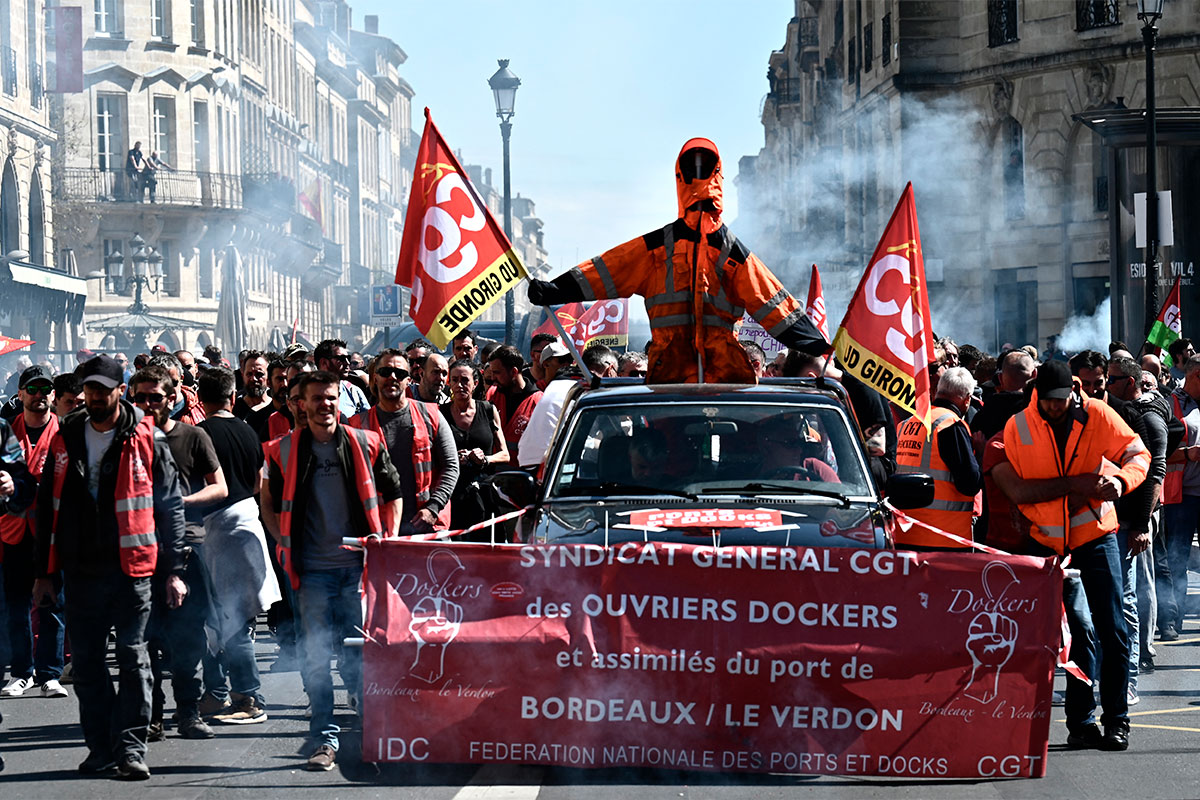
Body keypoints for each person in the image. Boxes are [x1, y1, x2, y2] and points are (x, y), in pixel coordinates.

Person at [527, 138, 828, 383]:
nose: (698, 174)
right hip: (689, 378)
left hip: (705, 376)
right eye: (694, 167)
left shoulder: (723, 251)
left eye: (703, 167)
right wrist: (556, 290)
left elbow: (773, 301)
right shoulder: (667, 248)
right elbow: (606, 270)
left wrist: (816, 343)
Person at [33, 354, 187, 779]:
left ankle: (132, 749)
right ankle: (100, 747)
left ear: (121, 390)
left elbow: (170, 506)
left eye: (104, 388)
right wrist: (44, 573)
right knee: (87, 663)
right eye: (90, 389)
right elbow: (47, 504)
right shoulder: (66, 434)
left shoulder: (147, 436)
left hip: (131, 569)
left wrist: (174, 569)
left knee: (133, 657)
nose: (96, 396)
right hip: (81, 571)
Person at [994, 359, 1149, 752]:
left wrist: (1120, 480)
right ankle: (1079, 724)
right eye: (1047, 401)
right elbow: (1011, 476)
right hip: (1044, 542)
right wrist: (1047, 493)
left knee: (1112, 628)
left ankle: (1116, 721)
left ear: (1074, 391)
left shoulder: (1098, 414)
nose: (1055, 407)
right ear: (1036, 395)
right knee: (1057, 636)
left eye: (1061, 400)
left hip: (1094, 536)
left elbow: (1139, 454)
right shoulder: (1018, 425)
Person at [260, 371, 403, 771]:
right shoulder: (281, 450)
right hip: (313, 573)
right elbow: (266, 501)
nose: (325, 404)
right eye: (317, 398)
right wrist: (281, 539)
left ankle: (370, 731)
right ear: (300, 404)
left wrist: (387, 539)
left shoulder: (366, 443)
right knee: (316, 655)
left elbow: (393, 493)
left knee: (360, 655)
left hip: (358, 570)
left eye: (331, 397)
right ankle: (325, 738)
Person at [130, 366, 227, 742]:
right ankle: (151, 716)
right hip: (141, 553)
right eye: (140, 397)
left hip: (188, 549)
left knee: (188, 639)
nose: (148, 404)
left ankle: (188, 713)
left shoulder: (193, 436)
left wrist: (179, 502)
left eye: (156, 397)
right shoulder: (127, 440)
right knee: (146, 640)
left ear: (173, 398)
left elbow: (218, 488)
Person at [196, 367, 281, 725]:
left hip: (218, 529)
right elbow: (257, 481)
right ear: (232, 396)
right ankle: (215, 694)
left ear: (200, 399)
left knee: (229, 618)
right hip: (248, 524)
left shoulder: (199, 434)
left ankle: (248, 697)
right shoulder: (249, 431)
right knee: (221, 618)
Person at [0, 366, 67, 700]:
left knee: (53, 601)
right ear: (21, 394)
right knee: (16, 603)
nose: (40, 394)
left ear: (53, 395)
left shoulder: (66, 433)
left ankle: (50, 673)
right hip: (14, 530)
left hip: (53, 531)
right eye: (33, 388)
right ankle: (22, 672)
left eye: (46, 389)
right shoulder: (6, 433)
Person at [1107, 356, 1169, 685]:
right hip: (1112, 522)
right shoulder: (1113, 414)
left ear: (1131, 383)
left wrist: (1141, 524)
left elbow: (1152, 475)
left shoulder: (1145, 419)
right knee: (1116, 595)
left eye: (1112, 380)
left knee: (1132, 593)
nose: (1106, 387)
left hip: (1137, 518)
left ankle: (1134, 665)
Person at [350, 351, 458, 535]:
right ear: (375, 377)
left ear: (408, 380)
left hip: (427, 528)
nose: (392, 377)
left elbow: (451, 466)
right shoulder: (356, 425)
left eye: (399, 373)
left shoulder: (431, 415)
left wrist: (433, 507)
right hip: (379, 529)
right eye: (385, 372)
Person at [893, 366, 982, 548]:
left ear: (938, 392)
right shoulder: (951, 426)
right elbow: (970, 483)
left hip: (904, 532)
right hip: (942, 536)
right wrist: (979, 452)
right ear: (967, 400)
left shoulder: (907, 424)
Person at [1158, 354, 1200, 643]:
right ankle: (1172, 619)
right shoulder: (1171, 403)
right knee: (1177, 559)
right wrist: (1188, 454)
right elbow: (1156, 452)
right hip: (1181, 495)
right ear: (1196, 376)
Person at [440, 360, 508, 532]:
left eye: (465, 380)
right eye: (454, 380)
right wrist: (454, 457)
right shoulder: (440, 413)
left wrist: (484, 459)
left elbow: (504, 454)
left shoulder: (487, 410)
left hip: (484, 493)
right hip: (452, 493)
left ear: (475, 383)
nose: (459, 385)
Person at [485, 345, 540, 466]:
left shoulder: (538, 402)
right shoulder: (492, 395)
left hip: (522, 477)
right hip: (493, 475)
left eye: (497, 373)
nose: (493, 378)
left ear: (514, 371)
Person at [314, 339, 370, 418]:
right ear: (324, 363)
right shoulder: (305, 393)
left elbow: (368, 423)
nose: (347, 363)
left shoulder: (354, 392)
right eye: (341, 359)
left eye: (348, 358)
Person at [246, 359, 288, 441]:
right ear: (269, 383)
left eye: (287, 379)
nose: (284, 384)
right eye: (279, 379)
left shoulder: (299, 417)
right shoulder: (256, 420)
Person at [232, 351, 271, 420]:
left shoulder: (276, 409)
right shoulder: (233, 409)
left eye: (259, 374)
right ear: (243, 375)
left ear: (268, 376)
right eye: (249, 374)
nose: (254, 379)